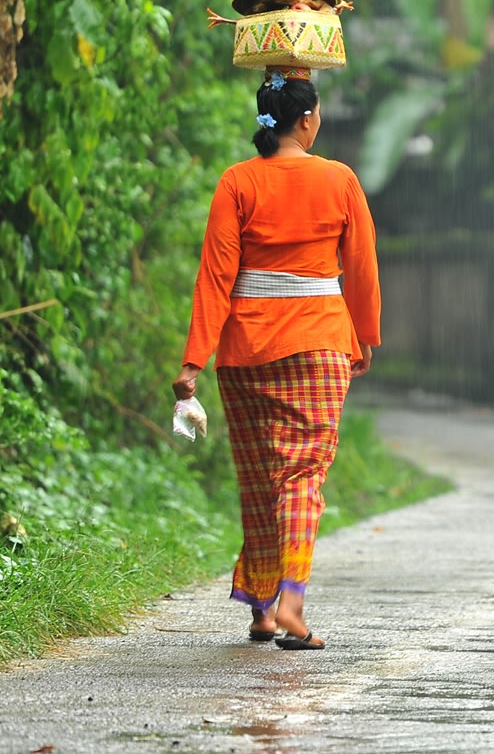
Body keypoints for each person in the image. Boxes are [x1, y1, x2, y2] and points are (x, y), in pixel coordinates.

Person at [173, 69, 380, 651]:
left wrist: (194, 360)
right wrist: (363, 334)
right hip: (318, 345)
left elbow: (216, 275)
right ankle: (290, 603)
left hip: (245, 350)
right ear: (308, 118)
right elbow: (361, 265)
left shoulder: (237, 181)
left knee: (261, 477)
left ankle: (262, 609)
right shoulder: (339, 179)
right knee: (301, 476)